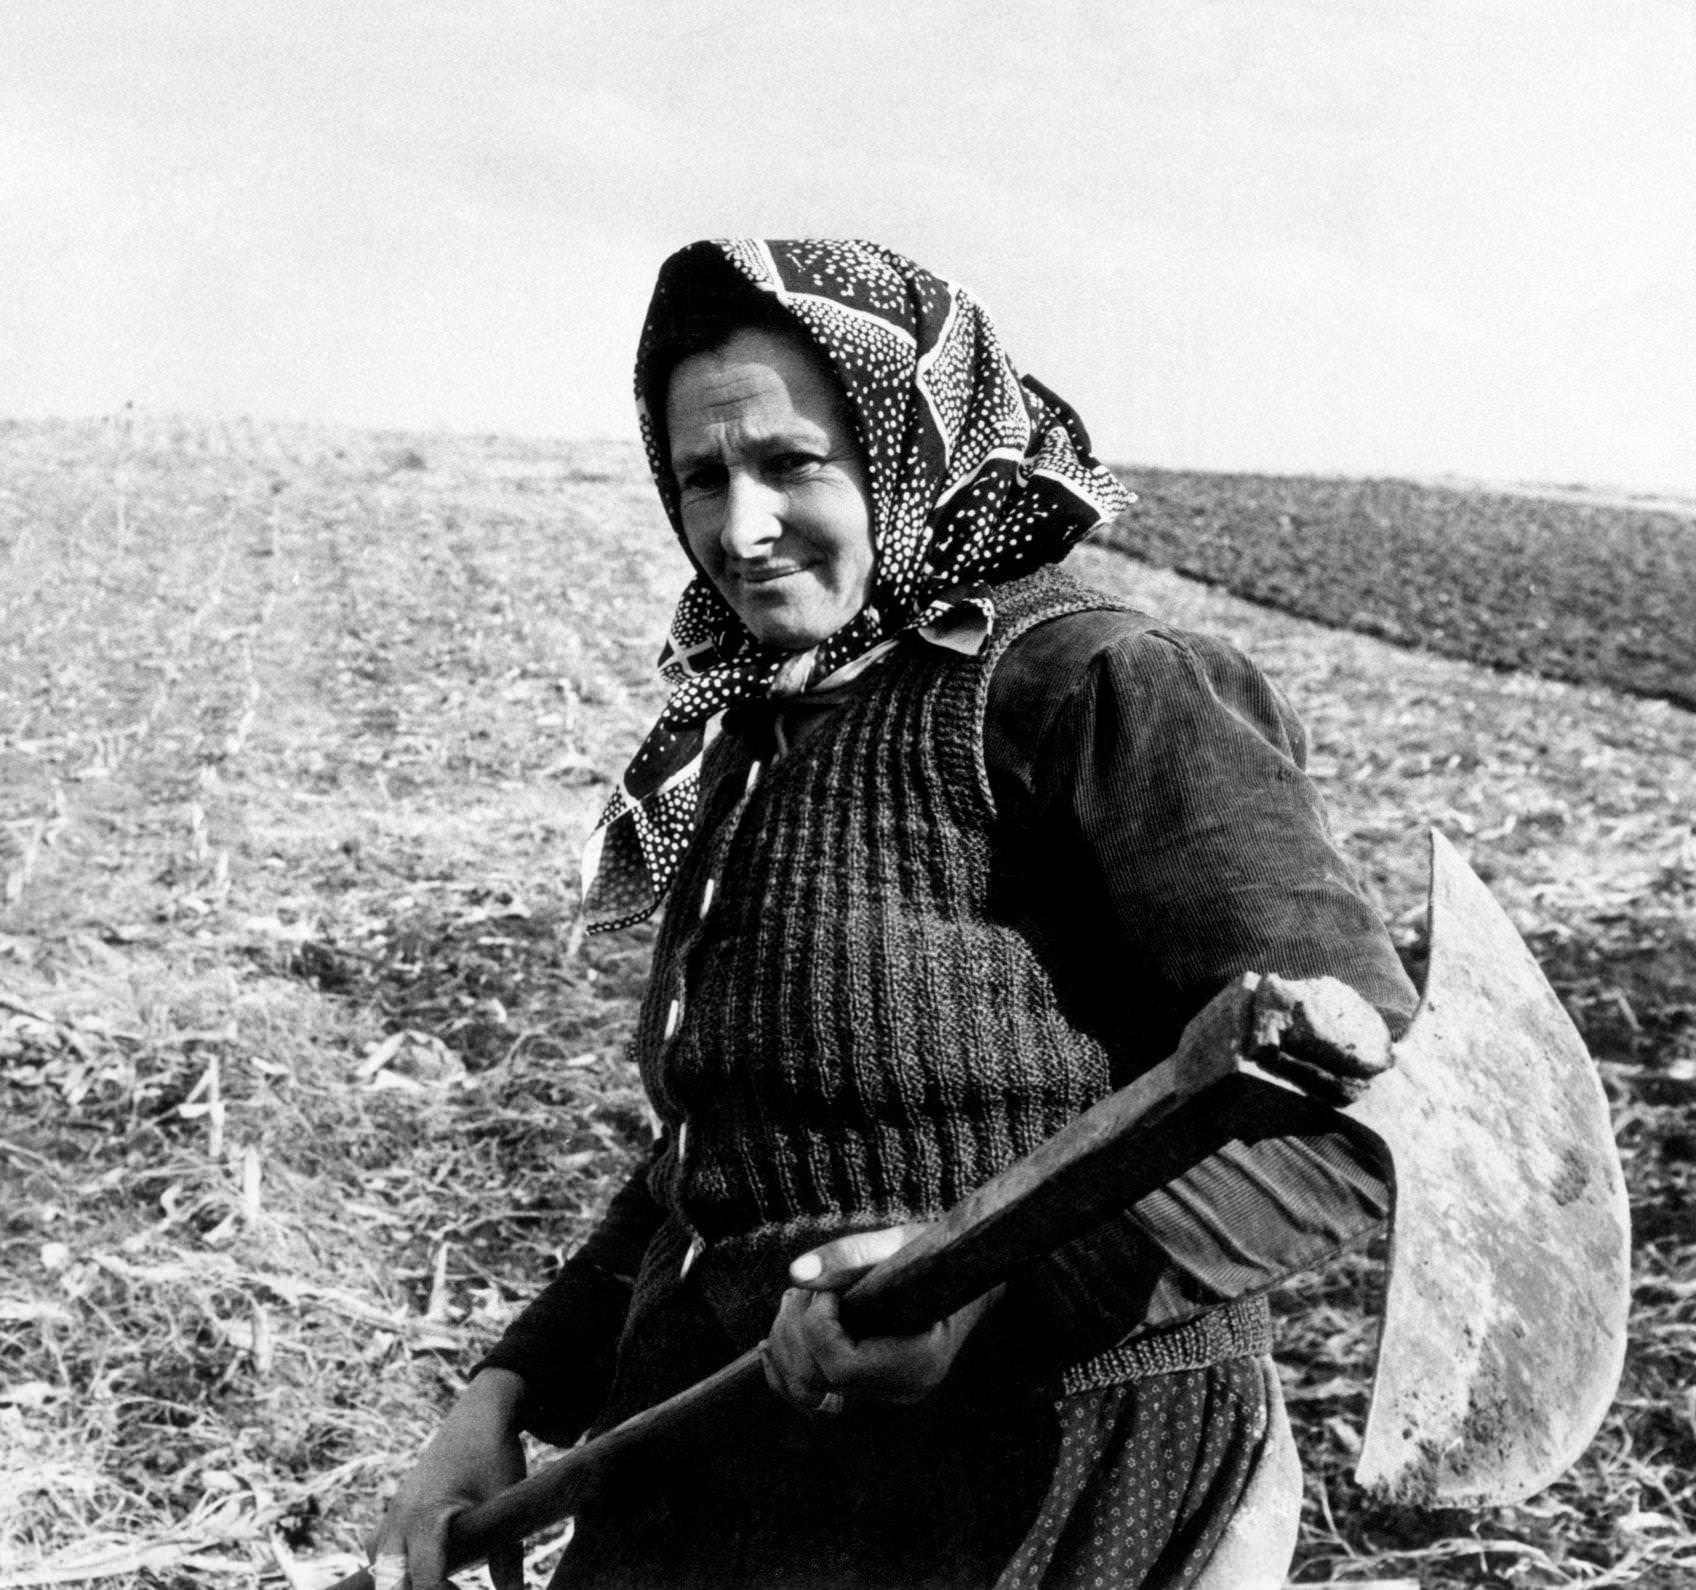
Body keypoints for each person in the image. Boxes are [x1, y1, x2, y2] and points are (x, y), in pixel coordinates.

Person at [370, 239, 1417, 1590]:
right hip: (733, 1442)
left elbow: (1345, 1107)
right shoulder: (768, 716)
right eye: (702, 478)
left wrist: (991, 1287)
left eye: (792, 464)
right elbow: (728, 1155)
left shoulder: (1098, 687)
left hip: (1027, 1486)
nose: (740, 528)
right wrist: (509, 1383)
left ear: (914, 439)